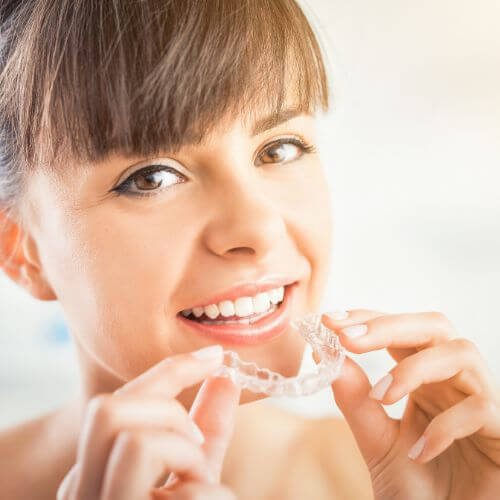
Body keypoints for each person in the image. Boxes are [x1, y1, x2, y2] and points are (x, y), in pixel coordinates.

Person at [0, 1, 499, 499]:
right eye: (152, 177)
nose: (258, 227)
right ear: (23, 251)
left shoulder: (413, 476)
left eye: (278, 149)